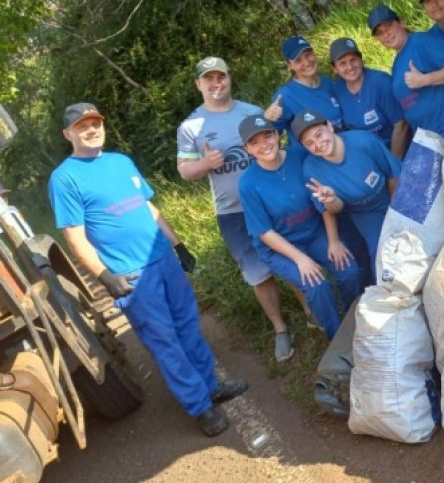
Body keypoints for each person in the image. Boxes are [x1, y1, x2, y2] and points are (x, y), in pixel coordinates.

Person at [48, 103, 247, 437]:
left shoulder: (120, 161)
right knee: (164, 340)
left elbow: (148, 206)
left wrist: (177, 244)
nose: (92, 130)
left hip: (162, 258)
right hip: (132, 273)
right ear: (68, 133)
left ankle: (211, 386)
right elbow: (74, 237)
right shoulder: (64, 178)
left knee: (187, 325)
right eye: (83, 126)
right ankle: (200, 407)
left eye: (96, 123)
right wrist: (104, 275)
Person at [177, 56, 295, 363]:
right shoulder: (190, 126)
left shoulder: (251, 112)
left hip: (269, 200)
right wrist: (205, 164)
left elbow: (272, 148)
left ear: (229, 78)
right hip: (232, 212)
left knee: (290, 256)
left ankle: (312, 312)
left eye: (221, 77)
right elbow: (184, 170)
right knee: (257, 272)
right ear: (198, 84)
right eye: (209, 79)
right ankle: (280, 328)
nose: (216, 84)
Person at [236, 115, 364, 340]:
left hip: (314, 233)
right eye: (254, 142)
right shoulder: (248, 184)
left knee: (350, 271)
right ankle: (338, 339)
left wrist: (334, 241)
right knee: (317, 286)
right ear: (247, 149)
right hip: (279, 246)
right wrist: (300, 259)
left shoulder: (299, 155)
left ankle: (355, 323)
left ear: (277, 135)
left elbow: (322, 198)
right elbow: (264, 232)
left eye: (267, 136)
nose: (264, 145)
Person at [293, 110, 401, 263]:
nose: (318, 144)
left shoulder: (363, 141)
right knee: (381, 255)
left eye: (319, 135)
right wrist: (331, 200)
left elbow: (393, 174)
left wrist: (394, 211)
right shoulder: (311, 169)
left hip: (392, 195)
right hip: (365, 212)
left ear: (329, 126)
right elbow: (335, 209)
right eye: (309, 143)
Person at [367, 3, 444, 149]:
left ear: (401, 22)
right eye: (380, 33)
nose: (386, 34)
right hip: (430, 142)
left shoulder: (421, 41)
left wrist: (425, 79)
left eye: (389, 26)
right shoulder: (396, 64)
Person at [263, 35, 343, 144]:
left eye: (308, 55)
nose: (306, 62)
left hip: (339, 146)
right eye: (298, 60)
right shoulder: (285, 96)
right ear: (289, 65)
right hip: (310, 153)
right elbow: (270, 136)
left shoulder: (327, 82)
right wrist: (266, 120)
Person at [328, 37, 402, 148]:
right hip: (364, 152)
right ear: (334, 68)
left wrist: (394, 158)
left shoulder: (380, 82)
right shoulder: (337, 89)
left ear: (361, 60)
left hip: (392, 148)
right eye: (342, 63)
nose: (350, 67)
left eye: (353, 60)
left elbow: (401, 124)